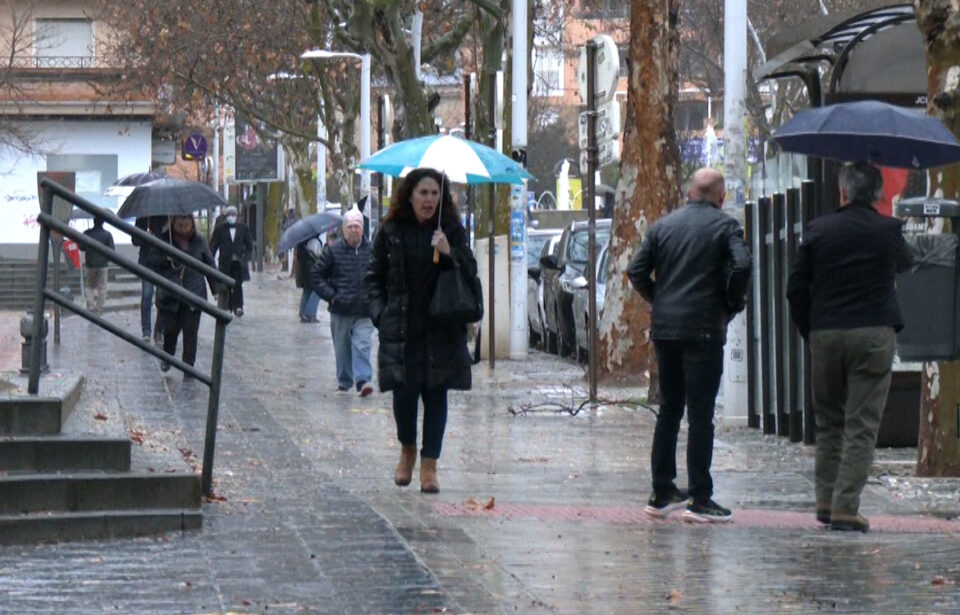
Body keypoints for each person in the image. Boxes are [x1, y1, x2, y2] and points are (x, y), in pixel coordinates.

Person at [787, 161, 911, 533]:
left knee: (828, 423)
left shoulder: (817, 231)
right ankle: (845, 506)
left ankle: (825, 502)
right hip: (873, 333)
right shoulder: (889, 230)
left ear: (841, 193)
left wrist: (811, 330)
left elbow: (795, 288)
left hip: (826, 334)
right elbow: (906, 263)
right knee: (861, 424)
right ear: (877, 194)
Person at [628, 167, 751, 523]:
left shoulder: (663, 226)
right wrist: (730, 303)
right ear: (721, 197)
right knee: (700, 415)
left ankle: (661, 490)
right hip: (704, 330)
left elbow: (636, 271)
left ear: (689, 192)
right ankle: (700, 497)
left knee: (669, 409)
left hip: (665, 330)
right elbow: (742, 265)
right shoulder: (726, 227)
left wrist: (660, 299)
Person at [365, 168, 477, 494]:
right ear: (410, 195)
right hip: (402, 328)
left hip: (441, 328)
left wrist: (449, 254)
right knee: (404, 395)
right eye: (423, 193)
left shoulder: (452, 231)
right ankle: (407, 450)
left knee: (436, 395)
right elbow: (374, 278)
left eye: (435, 193)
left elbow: (470, 276)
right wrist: (380, 315)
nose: (429, 200)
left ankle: (430, 465)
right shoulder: (391, 231)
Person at [145, 215, 218, 375]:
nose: (184, 229)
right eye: (180, 225)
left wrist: (216, 289)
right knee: (170, 330)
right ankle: (168, 356)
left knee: (190, 333)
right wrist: (166, 259)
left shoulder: (199, 241)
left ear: (192, 224)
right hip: (170, 294)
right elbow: (151, 262)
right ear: (173, 224)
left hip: (193, 292)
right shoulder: (164, 240)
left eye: (187, 225)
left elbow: (209, 265)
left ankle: (188, 366)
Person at [313, 207, 375, 396]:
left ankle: (363, 380)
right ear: (343, 229)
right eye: (350, 227)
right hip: (341, 308)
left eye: (357, 226)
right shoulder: (333, 250)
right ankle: (344, 381)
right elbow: (316, 275)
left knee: (362, 344)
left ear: (362, 228)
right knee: (342, 347)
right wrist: (332, 296)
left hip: (365, 309)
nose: (354, 230)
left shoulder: (373, 250)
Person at [210, 205, 253, 317]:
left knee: (238, 285)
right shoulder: (220, 229)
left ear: (237, 216)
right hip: (225, 262)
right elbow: (213, 245)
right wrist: (210, 259)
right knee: (226, 285)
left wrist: (245, 258)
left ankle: (238, 306)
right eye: (228, 215)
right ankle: (228, 306)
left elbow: (249, 246)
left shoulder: (243, 228)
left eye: (233, 215)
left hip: (239, 263)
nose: (231, 217)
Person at [133, 216, 165, 342]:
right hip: (147, 262)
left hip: (162, 263)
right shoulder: (142, 219)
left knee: (162, 297)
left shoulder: (166, 218)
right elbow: (135, 240)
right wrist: (145, 236)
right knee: (147, 295)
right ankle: (146, 330)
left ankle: (159, 330)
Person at [80, 217, 115, 314]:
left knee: (90, 286)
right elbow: (112, 250)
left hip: (90, 264)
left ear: (93, 222)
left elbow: (81, 247)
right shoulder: (107, 235)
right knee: (102, 287)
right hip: (103, 264)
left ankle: (90, 305)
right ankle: (99, 308)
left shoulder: (87, 233)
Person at [295, 235, 322, 323]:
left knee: (307, 291)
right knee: (317, 291)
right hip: (313, 270)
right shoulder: (314, 241)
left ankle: (303, 313)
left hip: (304, 270)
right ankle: (310, 314)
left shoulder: (301, 242)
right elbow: (319, 254)